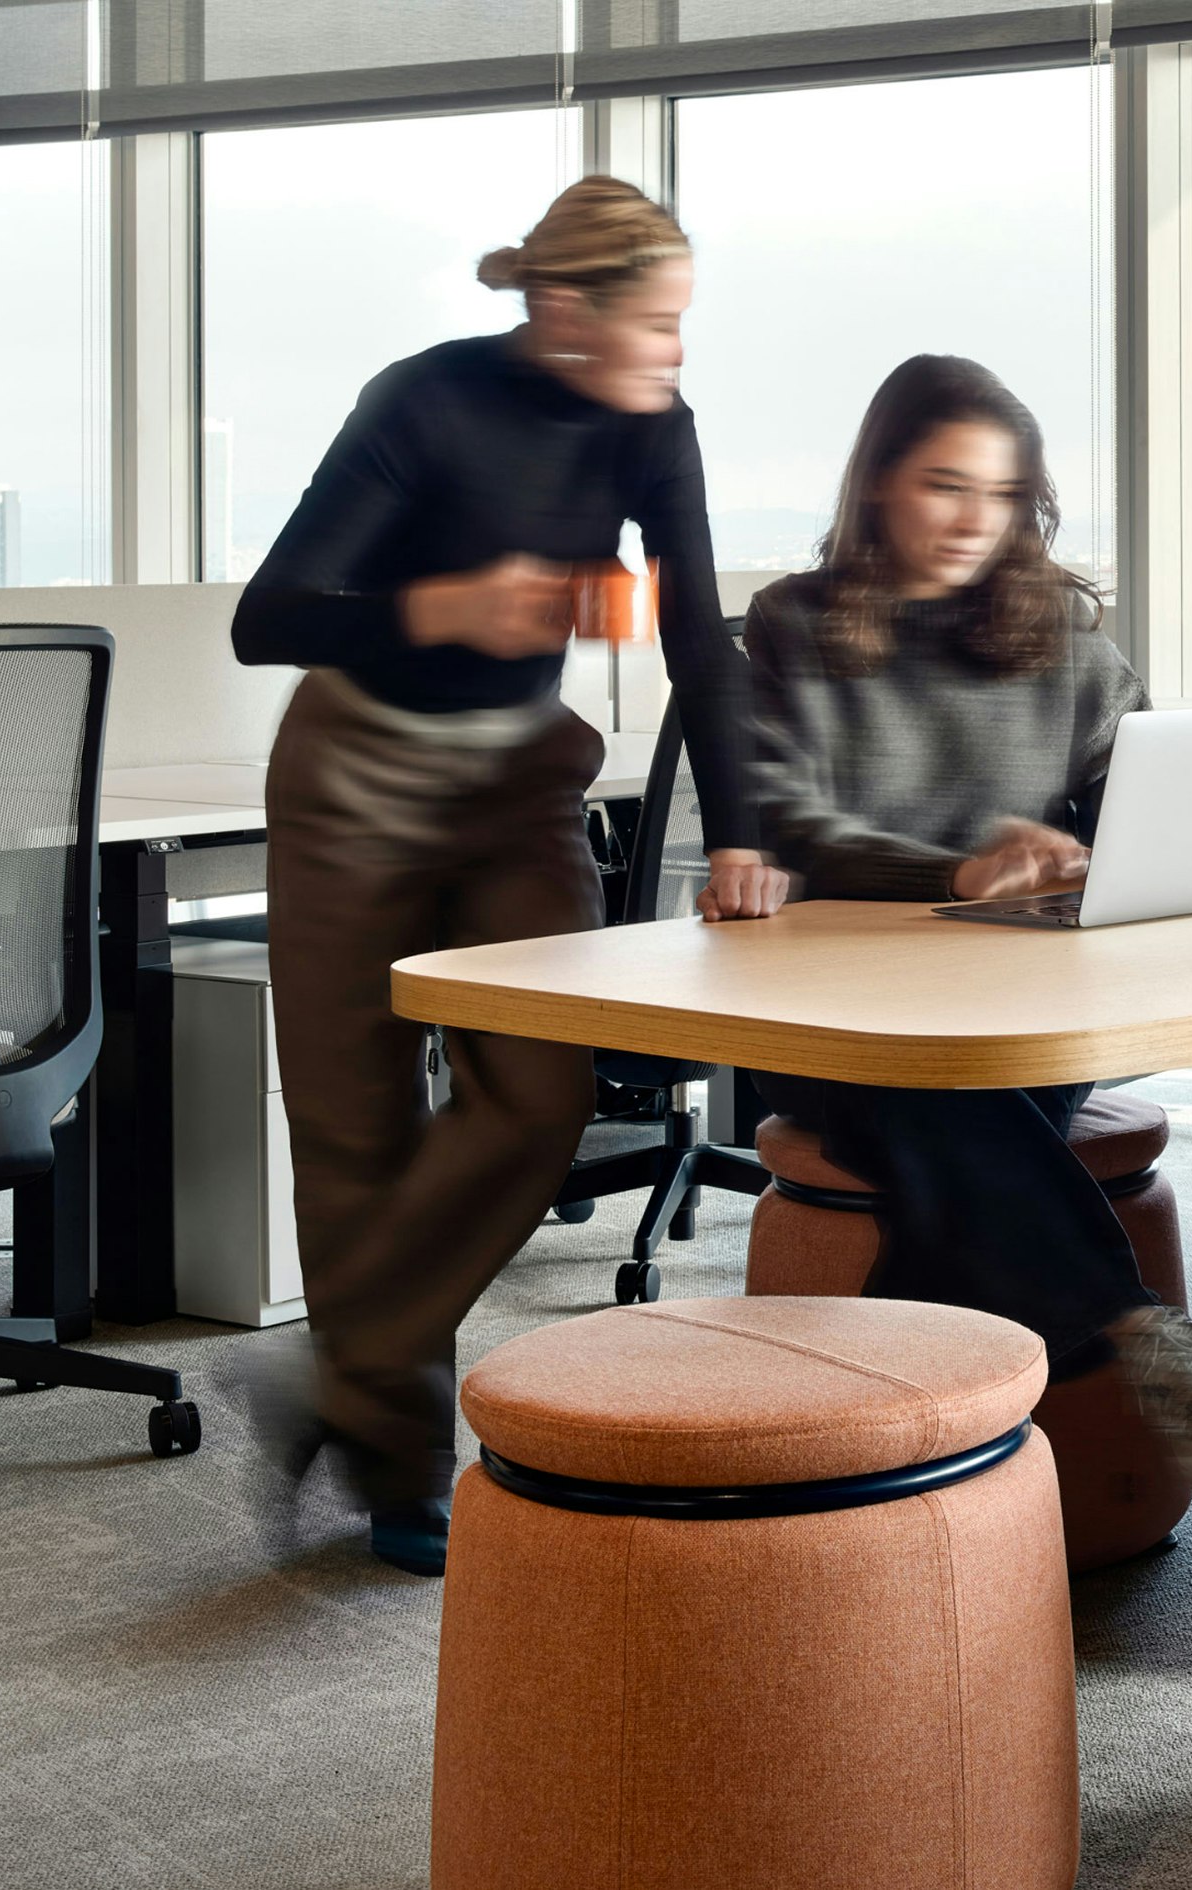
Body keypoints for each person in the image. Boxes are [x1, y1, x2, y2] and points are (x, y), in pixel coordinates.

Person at [232, 178, 784, 1575]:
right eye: (655, 326)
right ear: (562, 308)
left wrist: (740, 832)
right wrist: (446, 606)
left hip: (516, 787)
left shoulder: (657, 431)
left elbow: (698, 638)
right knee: (354, 1136)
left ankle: (337, 1368)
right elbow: (271, 615)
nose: (670, 356)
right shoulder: (420, 403)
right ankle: (402, 1462)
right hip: (354, 777)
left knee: (538, 1094)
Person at [740, 354, 1192, 1489]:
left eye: (1004, 494)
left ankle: (880, 1476)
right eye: (946, 485)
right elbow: (790, 822)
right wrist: (959, 871)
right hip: (835, 1012)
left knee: (971, 1108)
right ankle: (1131, 1328)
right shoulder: (794, 623)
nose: (979, 519)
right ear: (878, 482)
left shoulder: (1067, 640)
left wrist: (1120, 854)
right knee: (936, 1090)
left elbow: (1143, 793)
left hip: (1020, 1002)